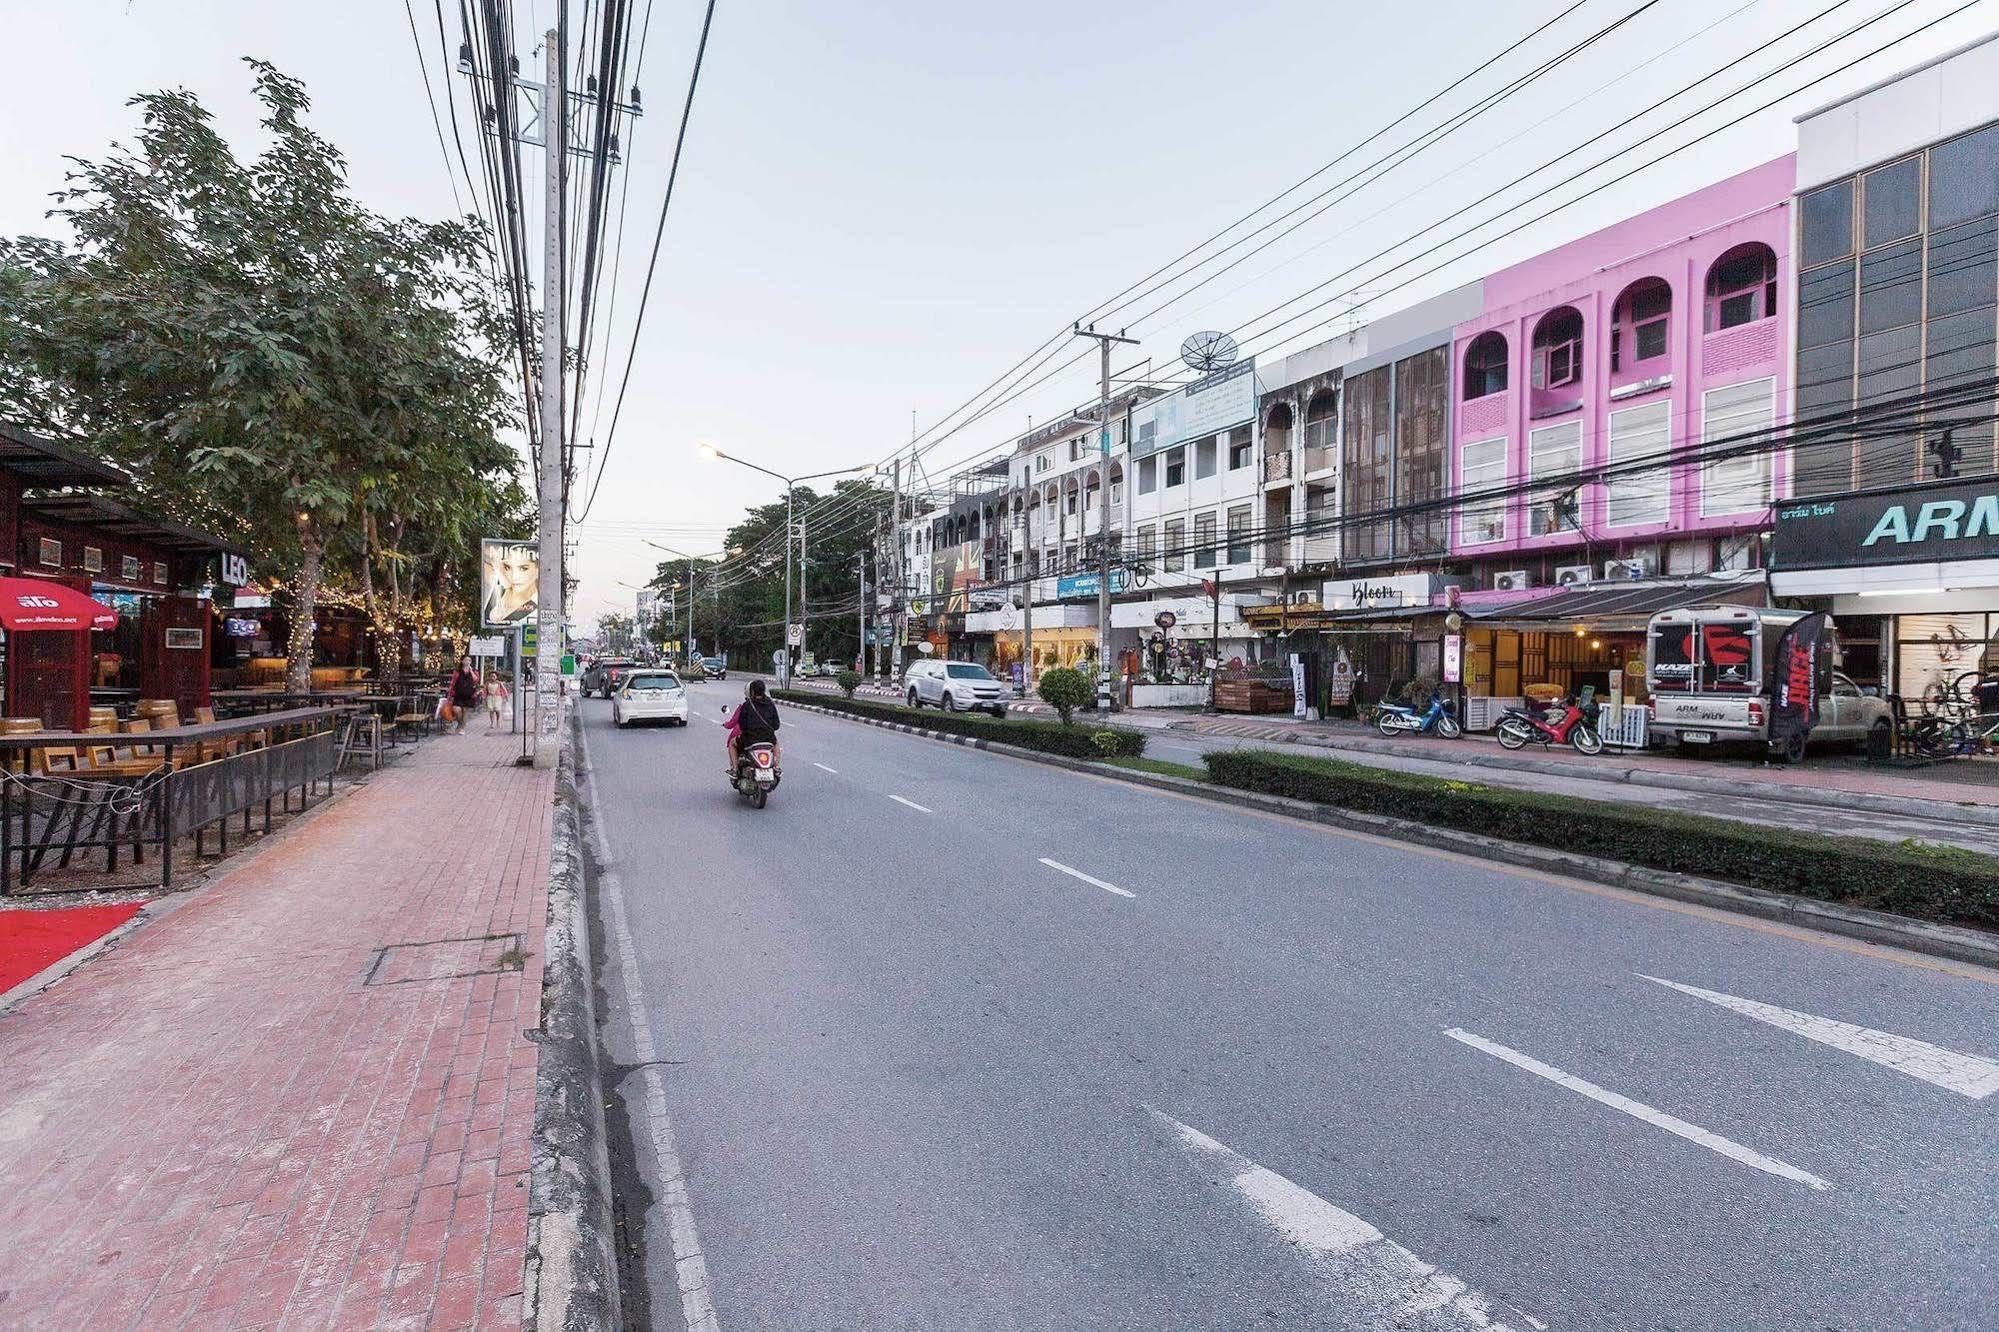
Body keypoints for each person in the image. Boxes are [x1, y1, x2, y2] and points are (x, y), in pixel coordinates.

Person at [724, 678, 781, 775]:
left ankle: (735, 769)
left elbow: (742, 725)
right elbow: (776, 725)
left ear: (752, 691)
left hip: (750, 739)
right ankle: (776, 767)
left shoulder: (747, 705)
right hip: (768, 738)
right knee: (776, 744)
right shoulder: (770, 704)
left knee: (732, 744)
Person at [448, 655, 482, 734]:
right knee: (456, 710)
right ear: (462, 661)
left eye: (469, 660)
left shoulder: (474, 671)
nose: (467, 662)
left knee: (465, 711)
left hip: (469, 693)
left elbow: (476, 680)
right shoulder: (457, 671)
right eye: (466, 660)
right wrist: (450, 694)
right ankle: (460, 723)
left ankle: (462, 728)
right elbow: (453, 683)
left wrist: (471, 671)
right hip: (458, 693)